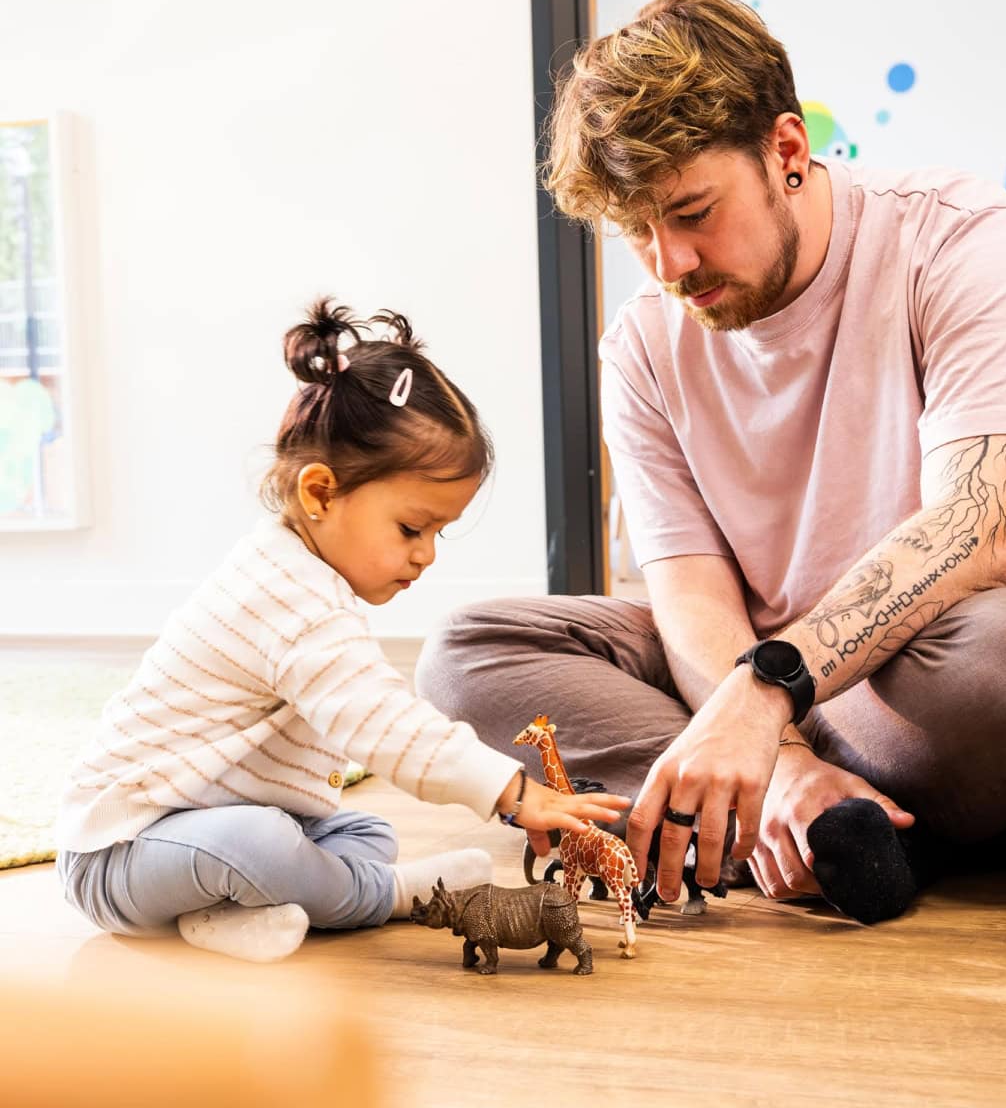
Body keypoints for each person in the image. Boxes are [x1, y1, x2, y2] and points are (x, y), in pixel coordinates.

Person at [416, 0, 1006, 924]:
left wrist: (766, 698)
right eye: (635, 231)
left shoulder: (962, 239)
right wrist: (785, 752)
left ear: (787, 152)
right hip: (780, 687)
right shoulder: (643, 343)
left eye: (691, 212)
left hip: (947, 691)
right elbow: (690, 593)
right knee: (466, 656)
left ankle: (736, 817)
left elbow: (979, 531)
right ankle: (812, 815)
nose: (668, 264)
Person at [56, 299, 627, 961]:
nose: (427, 554)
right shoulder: (288, 598)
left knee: (361, 830)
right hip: (119, 854)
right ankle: (387, 897)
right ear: (320, 494)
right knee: (262, 844)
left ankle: (233, 914)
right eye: (412, 528)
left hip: (203, 831)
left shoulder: (300, 577)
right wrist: (512, 792)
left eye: (439, 532)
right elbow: (384, 724)